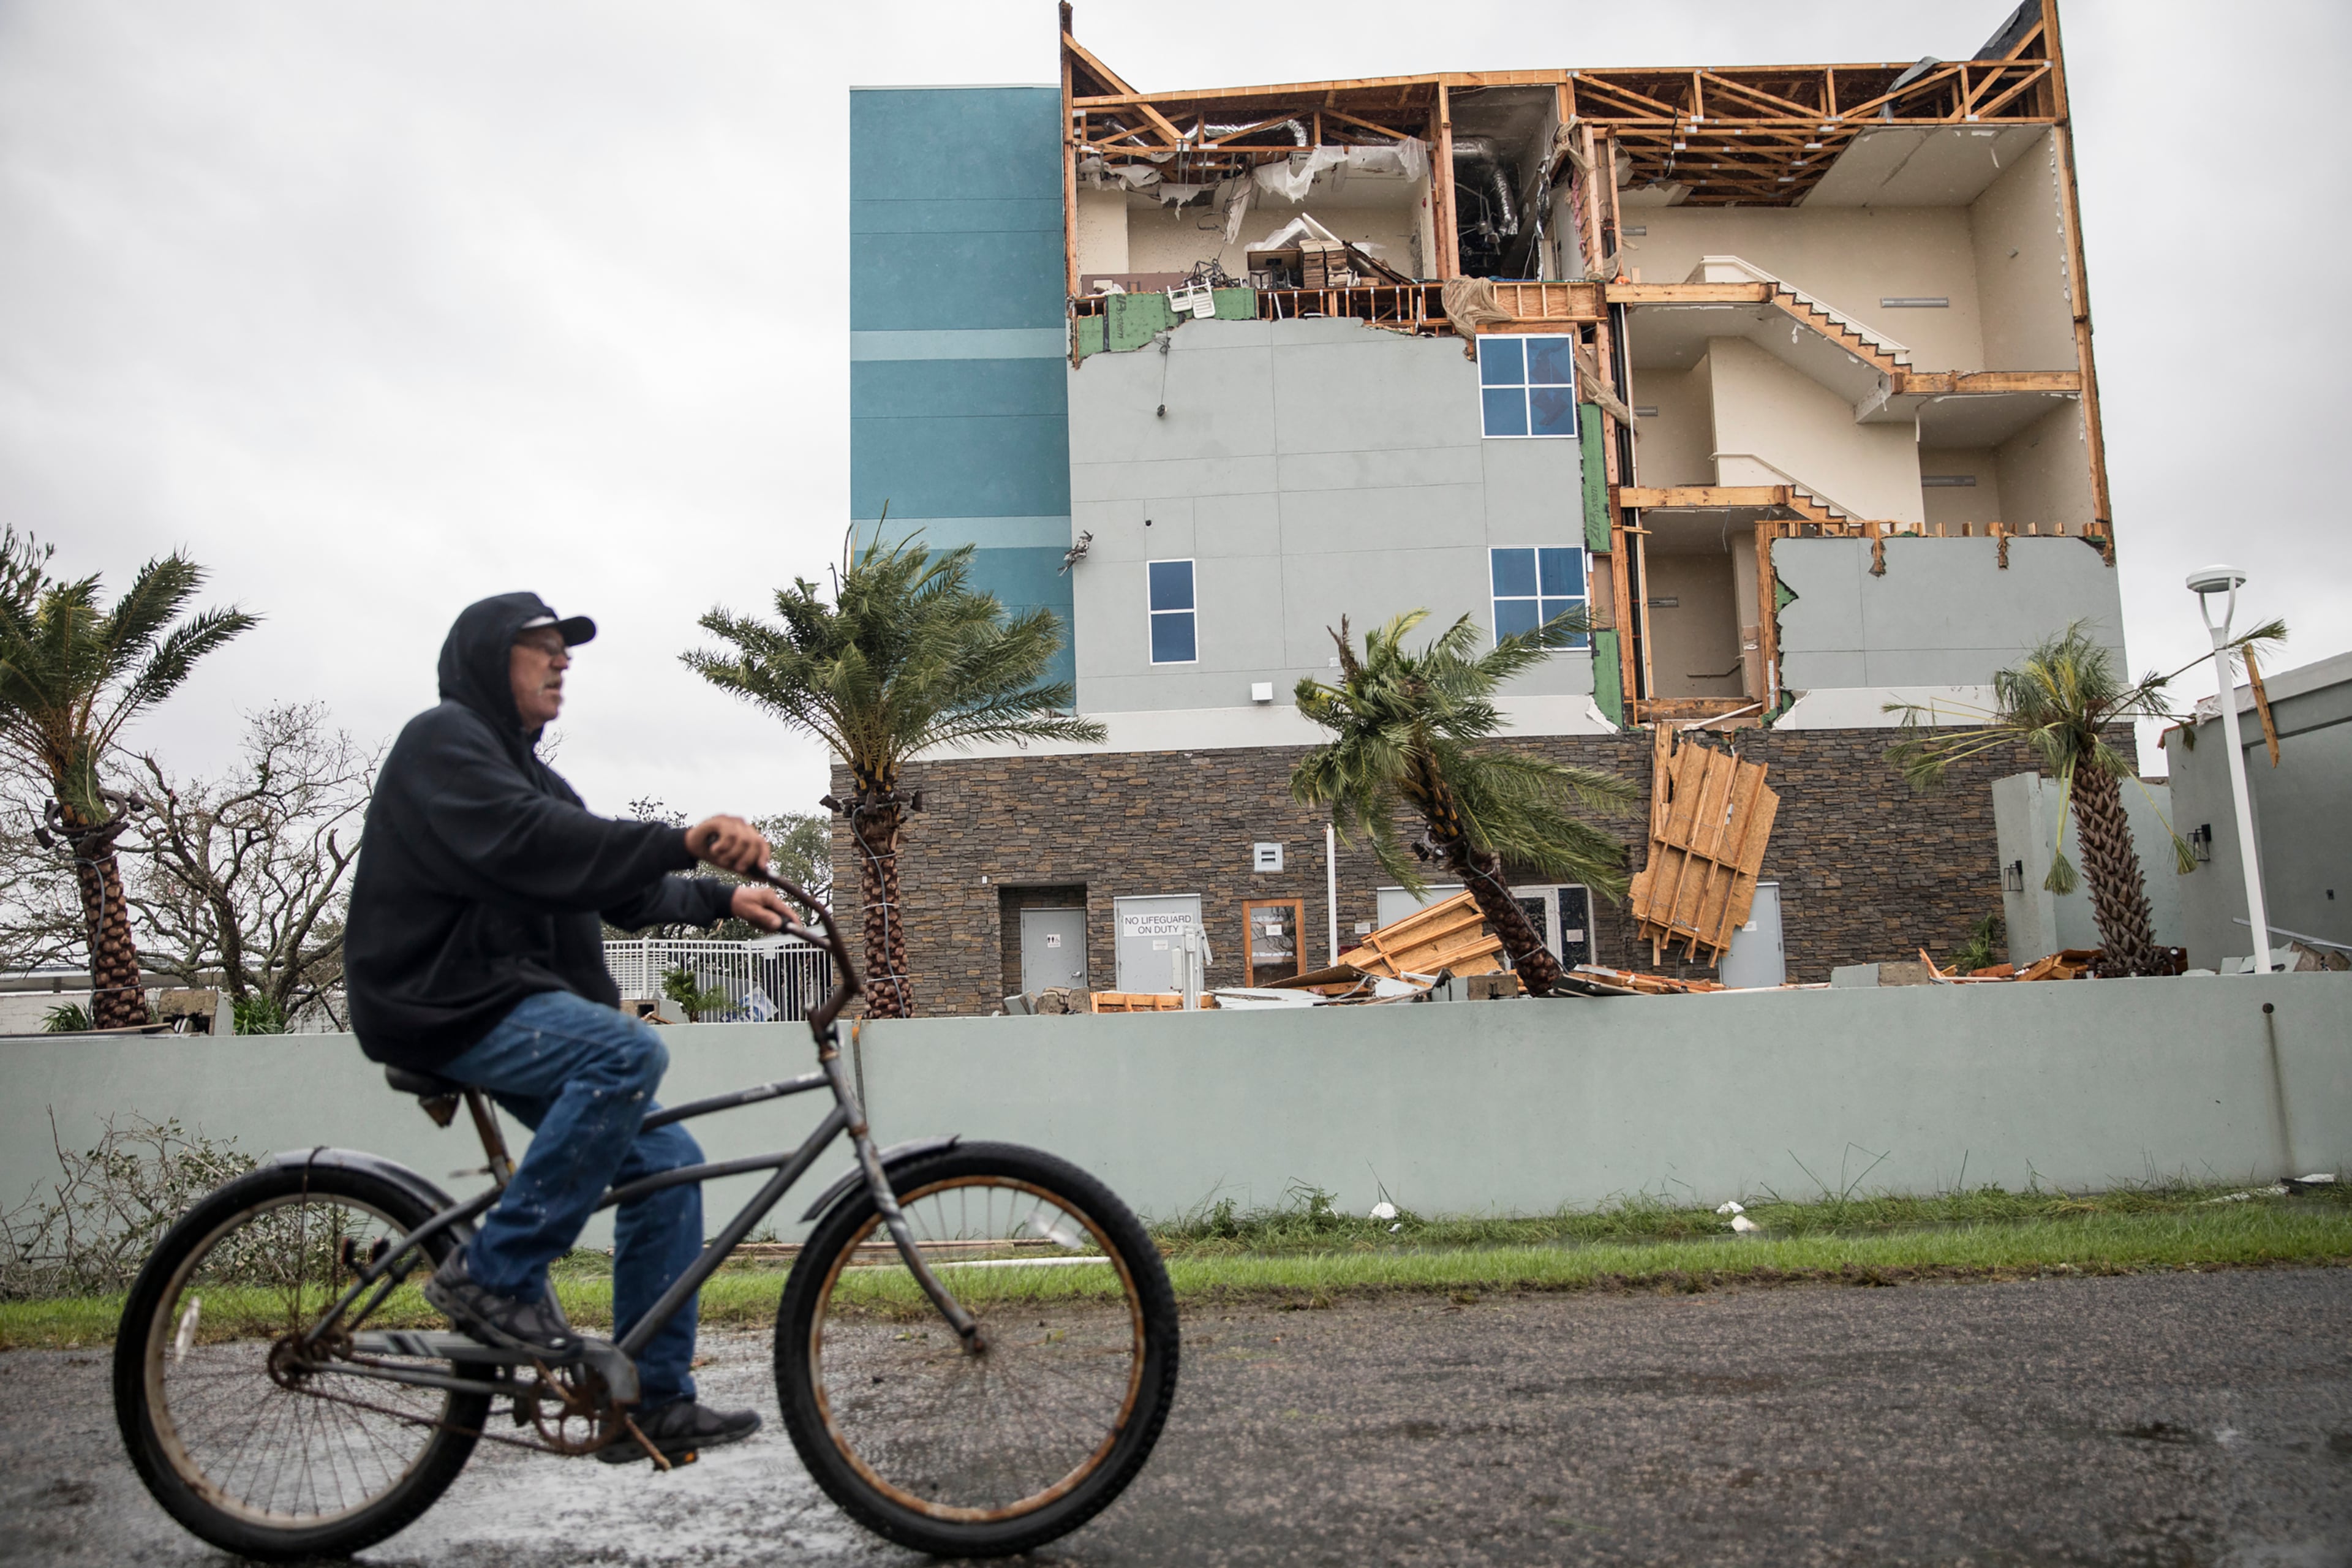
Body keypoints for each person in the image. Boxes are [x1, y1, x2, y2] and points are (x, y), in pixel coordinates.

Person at [345, 591, 793, 1465]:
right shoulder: (444, 744)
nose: (561, 663)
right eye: (540, 649)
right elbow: (533, 843)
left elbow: (608, 879)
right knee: (626, 1047)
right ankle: (491, 1276)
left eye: (566, 652)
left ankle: (650, 1402)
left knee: (668, 1164)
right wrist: (682, 837)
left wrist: (720, 898)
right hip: (438, 1000)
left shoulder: (528, 774)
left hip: (495, 1001)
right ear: (485, 659)